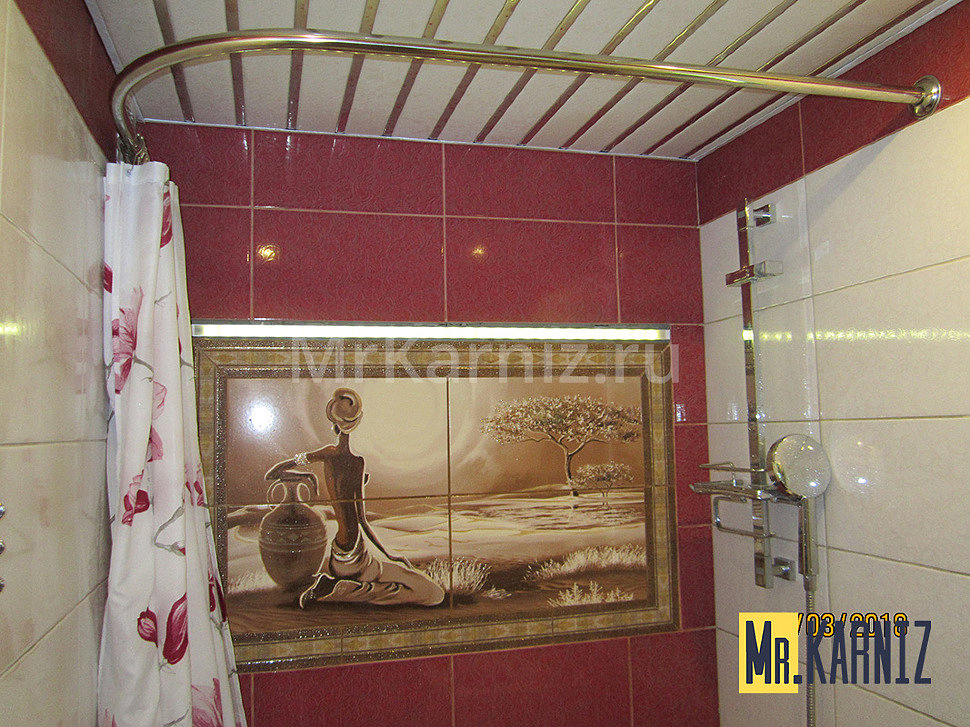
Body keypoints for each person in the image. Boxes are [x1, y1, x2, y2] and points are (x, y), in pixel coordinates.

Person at [265, 387, 445, 608]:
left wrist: (306, 476)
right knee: (432, 594)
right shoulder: (357, 464)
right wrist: (389, 554)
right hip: (353, 558)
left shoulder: (328, 454)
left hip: (347, 555)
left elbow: (274, 472)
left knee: (423, 588)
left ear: (334, 425)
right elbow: (362, 520)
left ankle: (344, 586)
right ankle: (341, 590)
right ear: (357, 424)